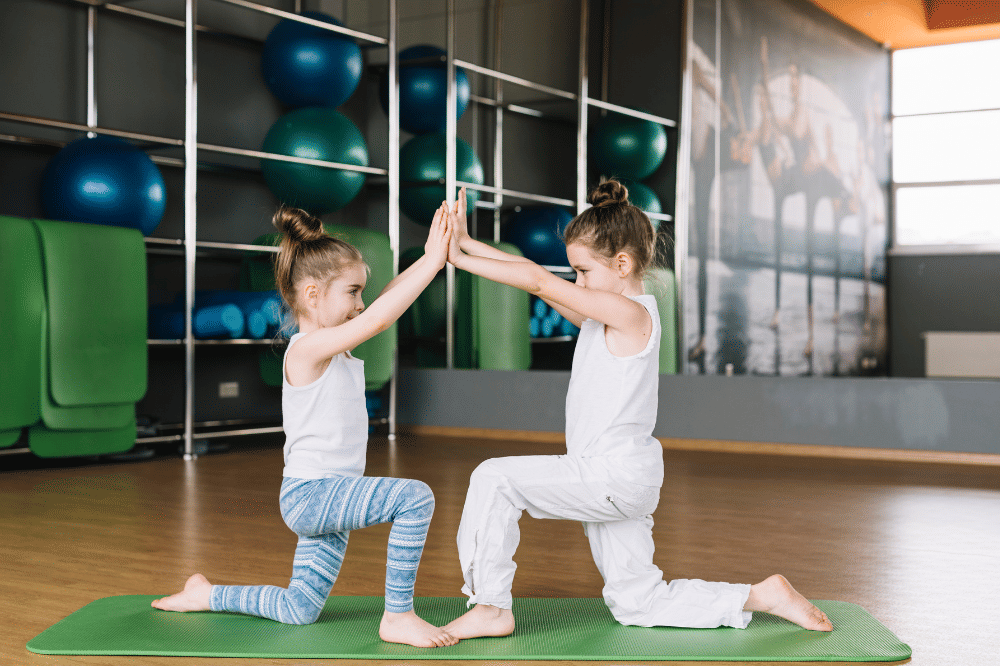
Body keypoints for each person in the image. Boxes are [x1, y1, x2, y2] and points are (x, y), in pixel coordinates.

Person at [440, 180, 833, 638]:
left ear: (622, 264)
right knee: (637, 603)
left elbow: (538, 280)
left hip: (612, 476)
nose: (577, 282)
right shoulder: (602, 317)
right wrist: (468, 242)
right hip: (619, 478)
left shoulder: (633, 316)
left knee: (493, 477)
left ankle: (490, 607)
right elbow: (537, 276)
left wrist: (458, 260)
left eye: (584, 272)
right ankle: (763, 594)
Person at [151, 204, 459, 649]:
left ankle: (207, 594)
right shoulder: (306, 350)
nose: (360, 304)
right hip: (313, 496)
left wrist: (426, 260)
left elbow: (380, 306)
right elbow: (380, 319)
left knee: (300, 609)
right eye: (352, 292)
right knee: (415, 498)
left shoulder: (333, 349)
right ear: (313, 296)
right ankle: (398, 616)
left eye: (361, 292)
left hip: (328, 497)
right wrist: (432, 259)